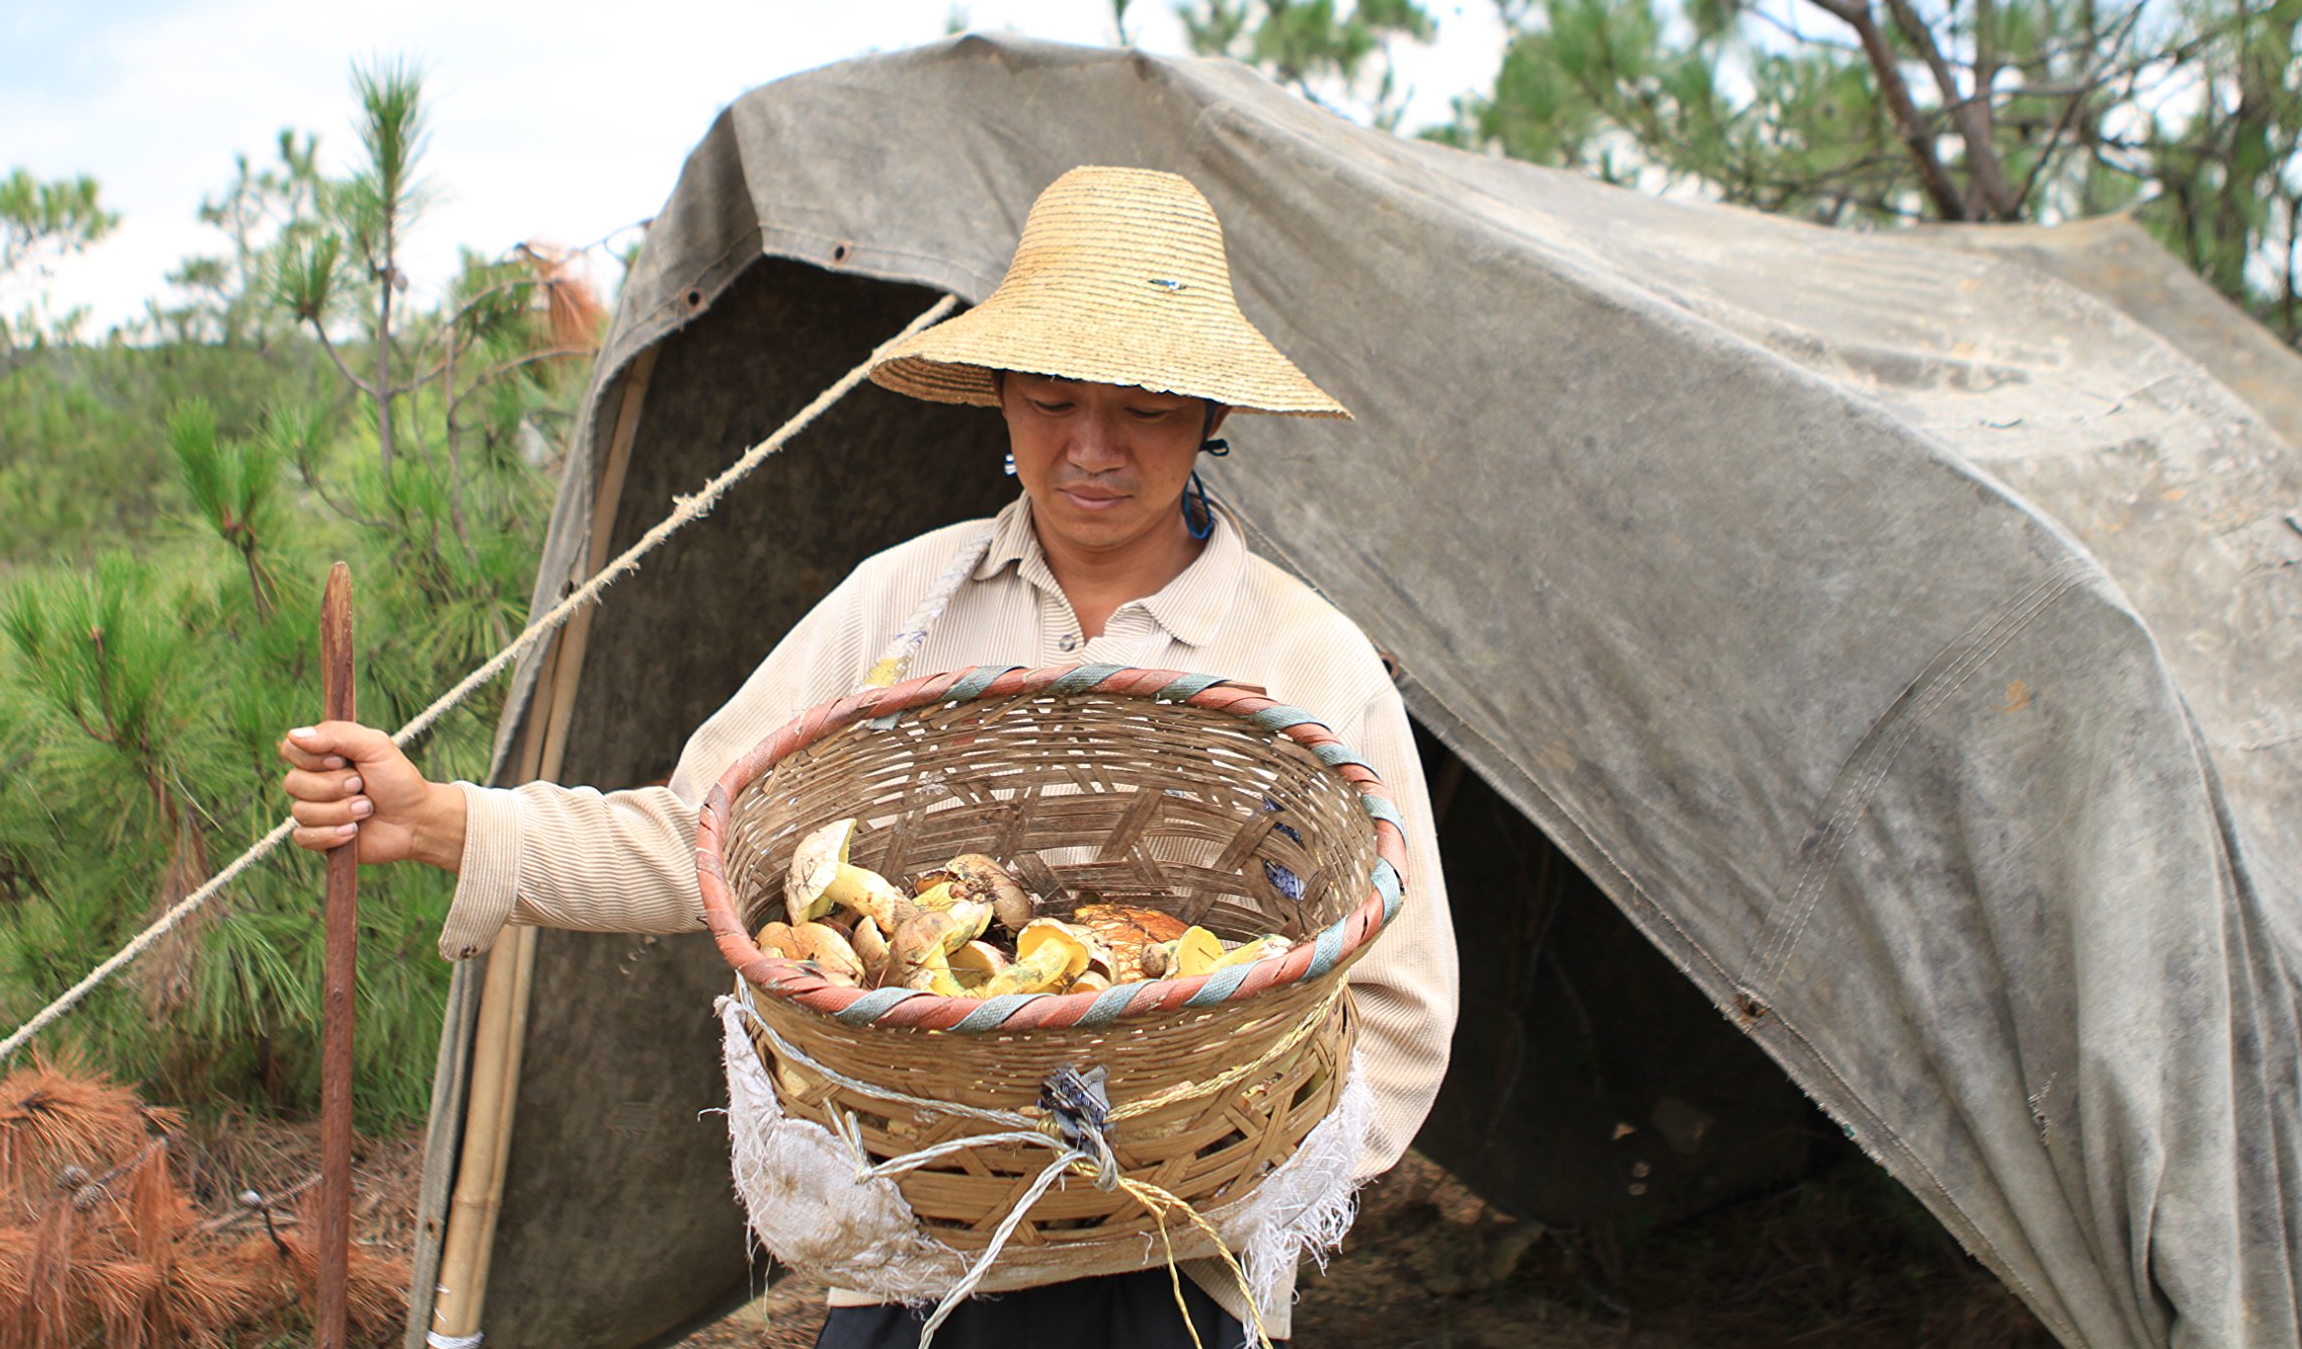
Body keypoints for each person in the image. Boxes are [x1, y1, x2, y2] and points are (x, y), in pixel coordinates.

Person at [279, 166, 1459, 1346]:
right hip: (915, 1269)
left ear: (1213, 417)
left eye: (1145, 408)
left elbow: (1404, 1006)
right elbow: (707, 834)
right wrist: (438, 819)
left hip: (1172, 1290)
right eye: (1051, 396)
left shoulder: (1305, 659)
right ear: (997, 396)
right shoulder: (902, 610)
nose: (1092, 446)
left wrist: (1226, 1192)